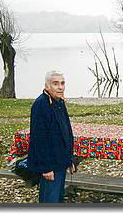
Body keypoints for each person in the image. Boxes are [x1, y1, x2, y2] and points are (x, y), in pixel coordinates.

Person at [27, 70, 75, 203]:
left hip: (61, 161)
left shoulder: (59, 102)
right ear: (47, 85)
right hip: (50, 165)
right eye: (55, 84)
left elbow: (67, 131)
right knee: (49, 200)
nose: (60, 87)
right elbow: (39, 139)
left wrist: (70, 159)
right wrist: (46, 168)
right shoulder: (41, 104)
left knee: (58, 199)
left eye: (62, 83)